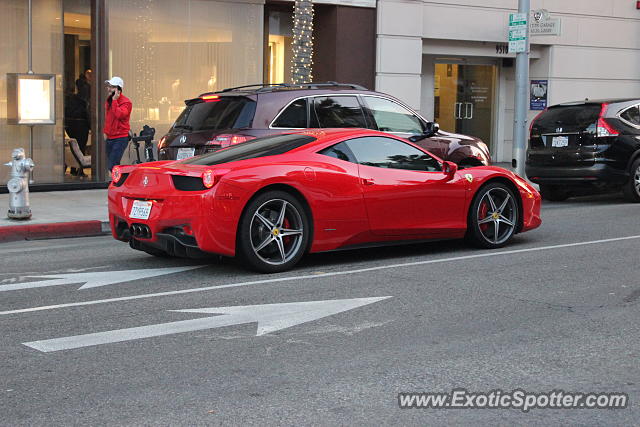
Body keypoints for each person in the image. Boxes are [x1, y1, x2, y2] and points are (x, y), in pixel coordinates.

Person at [104, 76, 132, 172]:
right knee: (112, 164)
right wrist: (106, 132)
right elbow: (108, 118)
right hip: (110, 137)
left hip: (120, 138)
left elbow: (119, 115)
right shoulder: (109, 100)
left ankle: (118, 183)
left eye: (111, 87)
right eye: (109, 86)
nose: (108, 88)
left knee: (113, 165)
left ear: (118, 89)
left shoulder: (126, 102)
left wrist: (115, 100)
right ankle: (117, 182)